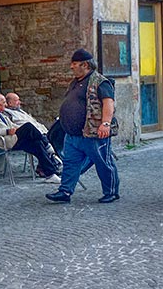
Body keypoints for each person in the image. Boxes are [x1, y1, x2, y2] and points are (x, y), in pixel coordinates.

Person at [46, 49, 120, 204]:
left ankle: (111, 192)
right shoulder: (76, 82)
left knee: (103, 163)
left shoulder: (100, 82)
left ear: (85, 65)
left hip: (93, 133)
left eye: (74, 64)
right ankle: (65, 191)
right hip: (73, 134)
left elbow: (108, 103)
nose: (71, 67)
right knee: (70, 164)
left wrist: (105, 124)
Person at [0, 93, 62, 182]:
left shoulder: (2, 114)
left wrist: (17, 129)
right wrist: (7, 131)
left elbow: (12, 125)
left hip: (12, 139)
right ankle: (48, 146)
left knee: (37, 144)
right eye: (4, 103)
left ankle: (50, 174)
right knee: (28, 127)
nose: (5, 105)